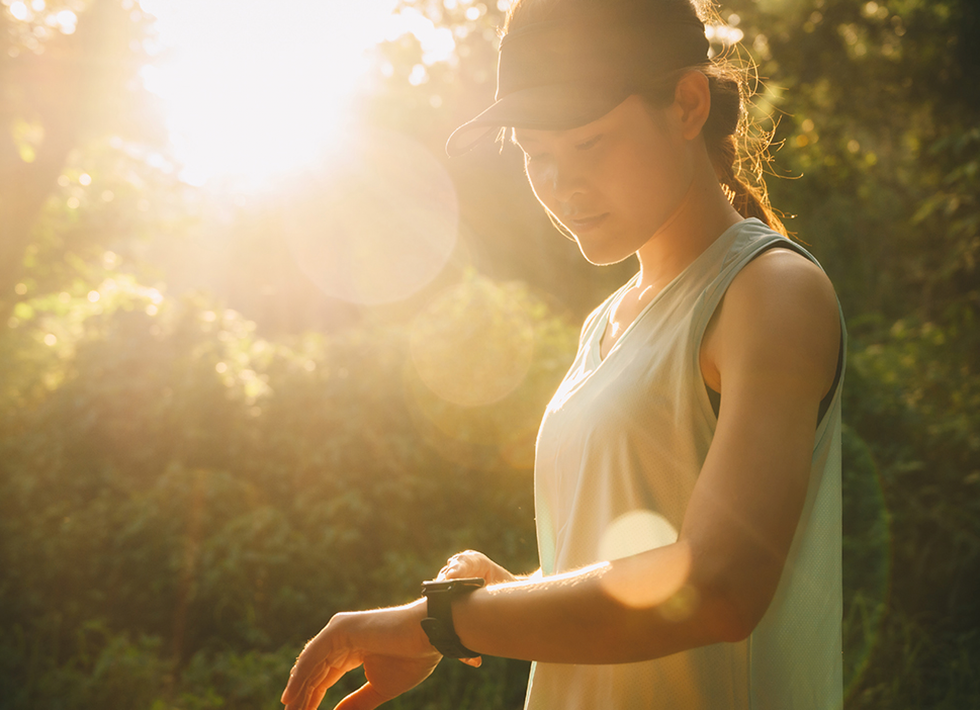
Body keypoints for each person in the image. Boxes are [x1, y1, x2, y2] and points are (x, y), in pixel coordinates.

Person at [280, 0, 845, 708]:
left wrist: (442, 624)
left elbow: (716, 589)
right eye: (534, 154)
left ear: (688, 104)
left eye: (590, 144)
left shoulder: (769, 292)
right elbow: (630, 570)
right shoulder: (606, 322)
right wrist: (515, 594)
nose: (561, 185)